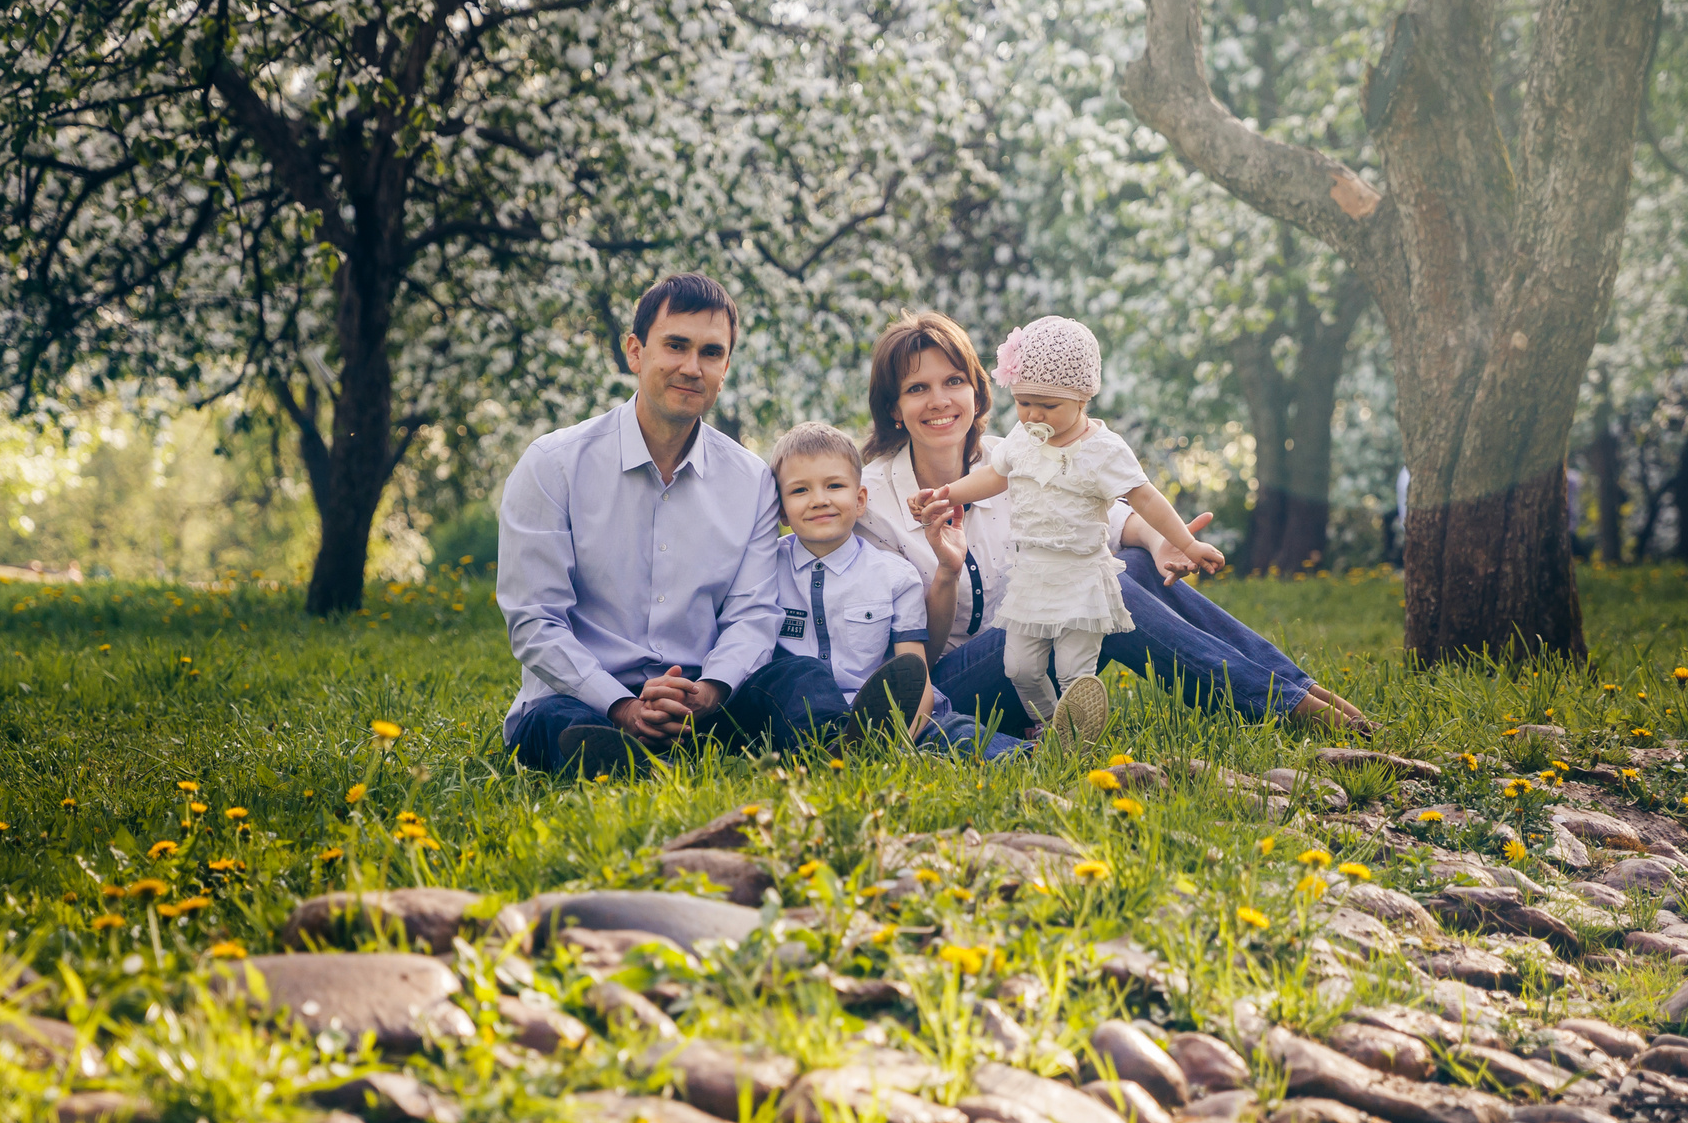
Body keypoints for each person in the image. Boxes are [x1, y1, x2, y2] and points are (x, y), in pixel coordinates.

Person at [855, 311, 1372, 737]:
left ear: (977, 392)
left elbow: (1111, 510)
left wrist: (1161, 539)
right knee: (1099, 592)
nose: (940, 400)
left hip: (1045, 642)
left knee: (1134, 567)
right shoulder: (874, 502)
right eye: (918, 388)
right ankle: (1283, 705)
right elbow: (908, 651)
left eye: (953, 381)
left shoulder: (1011, 453)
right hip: (957, 686)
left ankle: (1296, 690)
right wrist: (945, 573)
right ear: (895, 408)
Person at [496, 274, 900, 779]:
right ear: (635, 352)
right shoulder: (553, 466)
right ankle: (623, 762)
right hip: (588, 700)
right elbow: (536, 622)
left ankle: (842, 748)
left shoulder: (751, 480)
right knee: (558, 724)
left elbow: (753, 614)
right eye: (676, 346)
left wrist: (709, 690)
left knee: (800, 676)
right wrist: (622, 706)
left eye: (711, 352)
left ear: (725, 367)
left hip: (703, 706)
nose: (692, 368)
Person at [910, 316, 1217, 747]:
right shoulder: (1023, 438)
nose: (1033, 414)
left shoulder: (1103, 450)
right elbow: (994, 476)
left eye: (1047, 405)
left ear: (1082, 398)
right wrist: (946, 494)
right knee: (1020, 667)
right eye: (1023, 402)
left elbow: (1145, 498)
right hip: (1032, 578)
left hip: (1081, 578)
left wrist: (1186, 542)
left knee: (1075, 669)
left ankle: (1075, 733)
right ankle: (1055, 724)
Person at [764, 421, 932, 737]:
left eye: (834, 486)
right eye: (800, 490)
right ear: (781, 512)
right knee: (802, 674)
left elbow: (916, 681)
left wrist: (906, 744)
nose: (819, 500)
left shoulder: (895, 577)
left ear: (859, 500)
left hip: (878, 719)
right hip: (794, 718)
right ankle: (839, 743)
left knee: (957, 731)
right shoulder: (763, 569)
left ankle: (1030, 750)